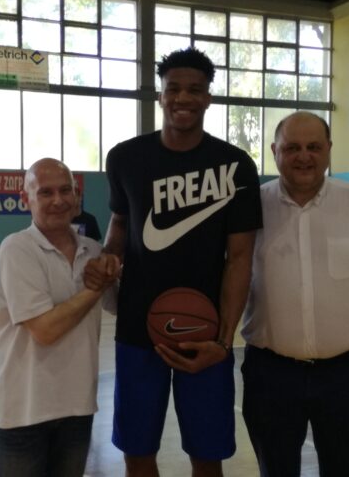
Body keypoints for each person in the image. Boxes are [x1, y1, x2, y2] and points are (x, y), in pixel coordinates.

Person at [84, 47, 263, 477]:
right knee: (137, 450)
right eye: (174, 89)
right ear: (161, 96)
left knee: (207, 454)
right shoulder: (125, 158)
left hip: (205, 332)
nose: (183, 98)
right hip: (137, 328)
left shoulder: (235, 166)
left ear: (208, 98)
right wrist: (109, 257)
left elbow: (240, 259)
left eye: (195, 90)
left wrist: (223, 342)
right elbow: (120, 223)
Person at [241, 111, 349, 477]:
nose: (304, 156)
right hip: (269, 375)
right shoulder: (249, 208)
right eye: (292, 148)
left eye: (314, 147)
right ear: (274, 151)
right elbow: (229, 282)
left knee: (344, 471)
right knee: (275, 471)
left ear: (329, 149)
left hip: (345, 377)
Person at [0, 158, 119, 477]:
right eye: (45, 192)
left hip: (77, 408)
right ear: (26, 199)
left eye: (65, 190)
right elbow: (46, 329)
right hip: (22, 414)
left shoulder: (93, 251)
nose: (58, 200)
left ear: (77, 196)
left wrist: (116, 268)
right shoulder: (17, 249)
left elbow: (117, 306)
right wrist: (96, 287)